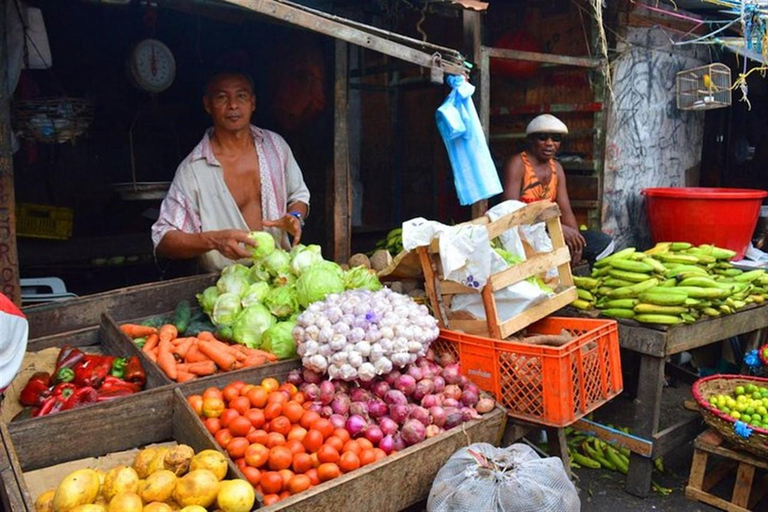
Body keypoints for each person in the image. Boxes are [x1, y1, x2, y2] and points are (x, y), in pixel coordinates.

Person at [152, 71, 310, 272]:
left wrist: (295, 215)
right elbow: (163, 240)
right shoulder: (193, 169)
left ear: (253, 103)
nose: (233, 105)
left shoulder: (275, 146)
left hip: (279, 274)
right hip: (226, 282)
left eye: (241, 96)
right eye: (222, 97)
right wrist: (214, 240)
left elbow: (299, 195)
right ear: (208, 105)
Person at [502, 114, 613, 265]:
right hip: (523, 235)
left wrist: (576, 242)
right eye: (542, 138)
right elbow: (509, 213)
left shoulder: (557, 168)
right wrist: (552, 227)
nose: (549, 143)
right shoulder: (518, 164)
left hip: (550, 232)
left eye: (556, 139)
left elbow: (565, 211)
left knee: (604, 243)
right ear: (531, 140)